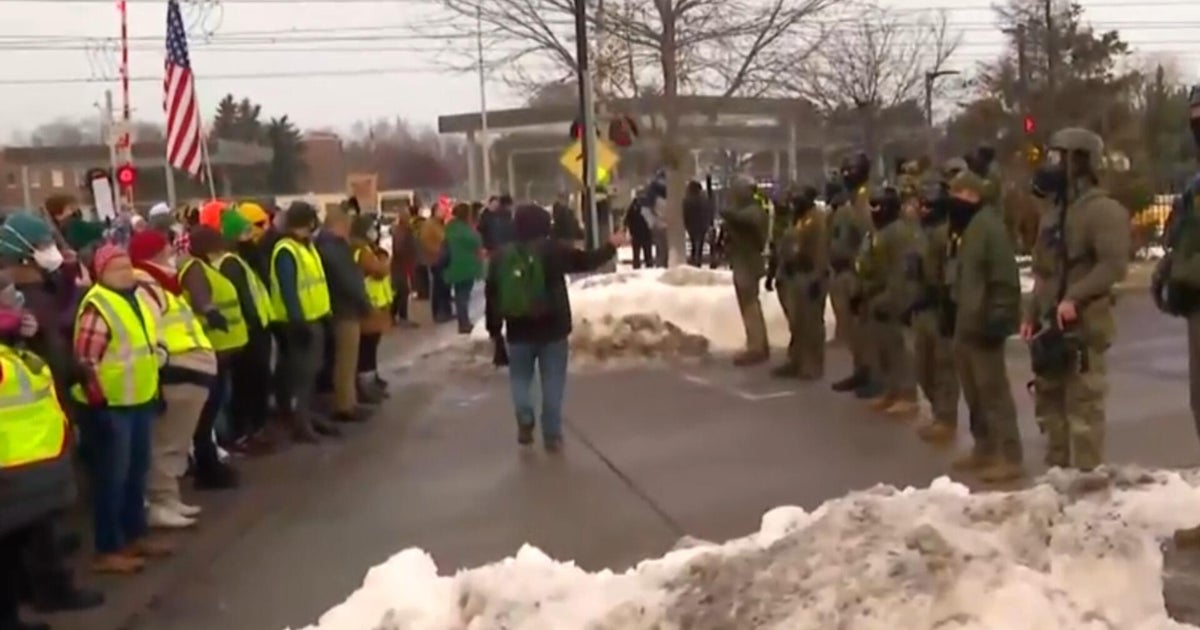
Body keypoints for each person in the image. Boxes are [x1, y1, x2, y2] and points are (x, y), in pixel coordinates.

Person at [1021, 127, 1130, 472]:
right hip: (1049, 325)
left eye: (1059, 157)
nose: (1051, 164)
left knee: (1084, 408)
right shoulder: (1053, 212)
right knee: (1049, 406)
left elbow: (1113, 266)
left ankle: (1086, 480)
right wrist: (1031, 313)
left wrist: (1074, 297)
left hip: (1084, 325)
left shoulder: (1103, 211)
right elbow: (1043, 270)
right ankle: (1058, 474)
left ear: (1081, 161)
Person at [0, 272, 103, 625]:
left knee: (21, 540)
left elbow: (51, 372)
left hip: (31, 458)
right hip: (12, 465)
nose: (13, 299)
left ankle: (27, 599)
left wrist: (29, 337)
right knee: (17, 543)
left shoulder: (18, 346)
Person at [485, 205, 625, 451]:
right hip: (553, 329)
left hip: (518, 330)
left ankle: (524, 416)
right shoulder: (553, 250)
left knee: (520, 378)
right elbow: (587, 260)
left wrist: (495, 332)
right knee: (553, 381)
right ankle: (551, 434)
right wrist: (611, 245)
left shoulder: (501, 257)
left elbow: (492, 296)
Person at [73, 244, 172, 574]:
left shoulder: (135, 299)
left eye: (127, 265)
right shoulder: (98, 305)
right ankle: (108, 547)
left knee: (136, 473)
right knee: (112, 479)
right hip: (111, 405)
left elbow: (147, 346)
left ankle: (134, 535)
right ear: (101, 272)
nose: (125, 272)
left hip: (139, 398)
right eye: (116, 268)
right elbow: (86, 362)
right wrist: (98, 402)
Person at [127, 230, 216, 526]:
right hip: (175, 371)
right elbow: (148, 332)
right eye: (167, 249)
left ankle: (169, 497)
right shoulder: (144, 286)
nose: (173, 255)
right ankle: (159, 501)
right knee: (166, 443)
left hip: (188, 370)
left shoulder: (163, 285)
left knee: (176, 442)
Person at [944, 171, 1024, 482]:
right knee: (973, 391)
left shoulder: (989, 228)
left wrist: (998, 317)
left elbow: (1005, 278)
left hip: (984, 324)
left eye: (959, 193)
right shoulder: (968, 229)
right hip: (966, 322)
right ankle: (985, 446)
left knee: (993, 392)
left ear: (973, 195)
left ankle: (1010, 455)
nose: (954, 200)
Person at [177, 226, 243, 488]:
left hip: (220, 348)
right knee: (206, 414)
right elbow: (200, 295)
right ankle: (207, 468)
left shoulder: (203, 266)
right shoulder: (194, 267)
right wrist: (211, 312)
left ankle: (210, 463)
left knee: (211, 410)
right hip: (211, 347)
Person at [270, 202, 337, 441]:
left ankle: (307, 417)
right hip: (299, 322)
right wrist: (297, 320)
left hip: (315, 317)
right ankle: (301, 423)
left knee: (312, 372)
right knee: (302, 375)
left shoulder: (305, 246)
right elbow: (289, 290)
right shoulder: (287, 250)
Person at [216, 208, 279, 448]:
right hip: (249, 331)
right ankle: (247, 433)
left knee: (257, 381)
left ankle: (255, 430)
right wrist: (253, 323)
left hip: (257, 326)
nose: (251, 236)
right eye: (244, 232)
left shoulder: (242, 260)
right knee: (249, 384)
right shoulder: (231, 263)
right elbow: (243, 297)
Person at [912, 160, 964, 446]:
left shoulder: (947, 234)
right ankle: (937, 412)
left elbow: (951, 273)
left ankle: (947, 419)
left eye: (928, 204)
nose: (922, 209)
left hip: (941, 305)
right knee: (923, 366)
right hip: (922, 305)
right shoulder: (920, 232)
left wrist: (948, 304)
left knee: (944, 367)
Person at [860, 187, 921, 419]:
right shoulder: (879, 232)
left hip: (893, 297)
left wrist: (893, 299)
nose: (874, 211)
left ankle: (907, 395)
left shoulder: (899, 233)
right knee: (884, 347)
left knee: (899, 348)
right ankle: (891, 390)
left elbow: (901, 272)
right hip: (877, 294)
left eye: (879, 206)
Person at [315, 207, 373, 423]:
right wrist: (364, 303)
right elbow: (347, 280)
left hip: (339, 307)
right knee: (346, 360)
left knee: (345, 360)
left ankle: (349, 401)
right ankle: (345, 405)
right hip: (344, 309)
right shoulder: (334, 249)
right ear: (338, 225)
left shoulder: (327, 246)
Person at [828, 156, 878, 394]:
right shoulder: (851, 199)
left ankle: (873, 375)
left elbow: (869, 236)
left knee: (865, 328)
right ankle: (861, 370)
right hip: (845, 269)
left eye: (850, 171)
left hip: (858, 270)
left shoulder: (866, 199)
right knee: (852, 328)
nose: (846, 175)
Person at [768, 186, 827, 380]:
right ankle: (796, 360)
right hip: (795, 276)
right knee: (797, 323)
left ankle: (813, 365)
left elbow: (820, 251)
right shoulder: (799, 219)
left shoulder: (816, 219)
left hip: (810, 275)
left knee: (812, 324)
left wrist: (818, 276)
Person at [720, 178, 771, 366]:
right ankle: (757, 343)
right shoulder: (747, 210)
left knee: (750, 306)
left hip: (748, 262)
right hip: (742, 260)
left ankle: (756, 346)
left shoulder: (754, 210)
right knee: (747, 305)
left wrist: (727, 212)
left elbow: (743, 219)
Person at [349, 215, 391, 402]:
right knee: (367, 347)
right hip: (368, 304)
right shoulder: (360, 250)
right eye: (371, 228)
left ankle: (372, 379)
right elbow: (379, 270)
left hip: (375, 304)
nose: (375, 232)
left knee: (371, 345)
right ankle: (366, 385)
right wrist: (384, 263)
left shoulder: (367, 249)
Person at [443, 202, 484, 334]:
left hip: (452, 266)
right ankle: (464, 323)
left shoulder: (450, 228)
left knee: (459, 295)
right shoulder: (468, 230)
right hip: (467, 267)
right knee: (463, 296)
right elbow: (477, 243)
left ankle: (463, 321)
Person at [389, 207, 418, 327]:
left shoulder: (403, 230)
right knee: (402, 291)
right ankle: (402, 317)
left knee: (400, 291)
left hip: (401, 264)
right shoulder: (403, 231)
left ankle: (392, 315)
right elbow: (399, 248)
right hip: (401, 265)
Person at [684, 181, 714, 266]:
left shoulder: (687, 201)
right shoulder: (704, 200)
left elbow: (685, 214)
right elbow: (708, 212)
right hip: (702, 226)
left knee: (694, 244)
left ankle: (694, 261)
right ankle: (697, 262)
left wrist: (686, 225)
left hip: (692, 226)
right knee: (699, 245)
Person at [623, 196, 654, 269]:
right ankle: (647, 265)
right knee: (645, 253)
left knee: (638, 254)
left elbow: (626, 223)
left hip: (638, 235)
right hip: (643, 235)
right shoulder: (644, 211)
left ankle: (639, 265)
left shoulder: (631, 212)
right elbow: (650, 223)